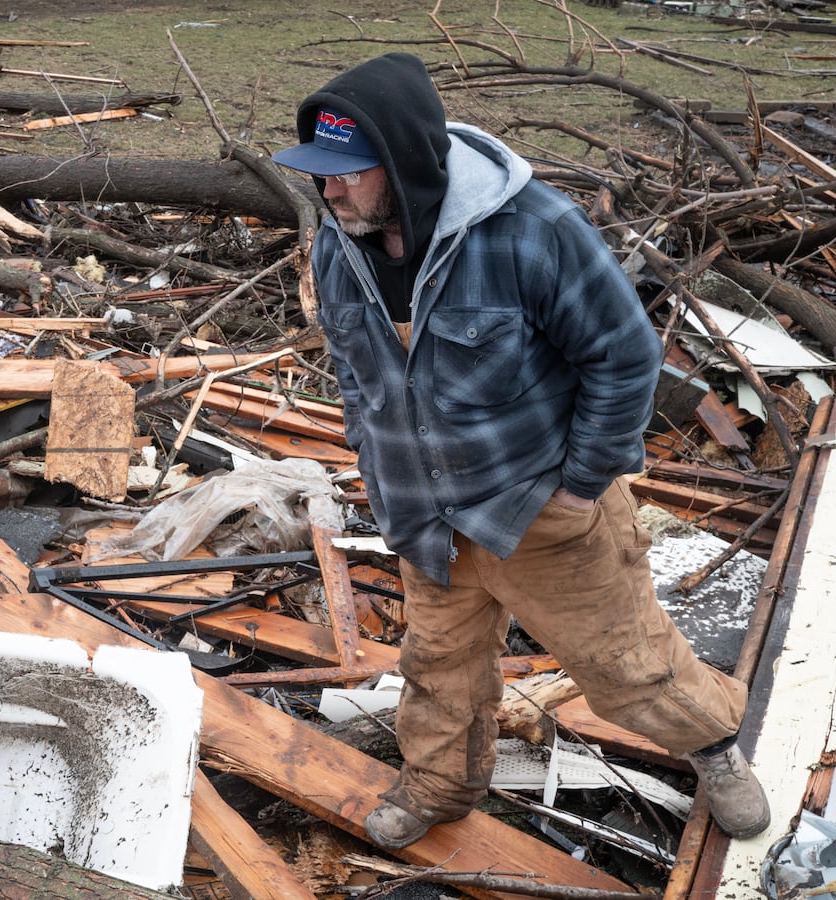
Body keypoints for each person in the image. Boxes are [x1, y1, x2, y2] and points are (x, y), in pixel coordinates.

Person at [271, 52, 771, 849]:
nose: (328, 191)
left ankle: (715, 751)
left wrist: (583, 484)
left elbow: (625, 355)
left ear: (401, 164)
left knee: (628, 665)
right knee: (438, 672)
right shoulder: (340, 243)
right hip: (424, 514)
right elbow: (356, 370)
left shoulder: (533, 232)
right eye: (320, 174)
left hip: (539, 505)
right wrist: (374, 463)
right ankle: (439, 787)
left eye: (347, 173)